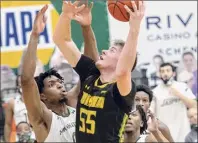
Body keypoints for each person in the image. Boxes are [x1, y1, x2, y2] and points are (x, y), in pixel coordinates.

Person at [53, 1, 145, 142]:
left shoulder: (121, 89)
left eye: (112, 50)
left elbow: (122, 71)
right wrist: (65, 15)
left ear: (122, 60)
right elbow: (62, 40)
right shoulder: (91, 74)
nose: (104, 51)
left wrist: (134, 28)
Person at [20, 5, 77, 142]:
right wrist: (35, 35)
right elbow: (27, 81)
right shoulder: (43, 119)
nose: (59, 85)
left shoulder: (77, 109)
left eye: (60, 82)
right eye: (51, 84)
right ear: (42, 96)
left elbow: (89, 74)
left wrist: (84, 26)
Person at [151, 62, 197, 142]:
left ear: (174, 73)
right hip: (165, 135)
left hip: (184, 133)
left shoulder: (182, 86)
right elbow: (152, 114)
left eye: (168, 71)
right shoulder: (154, 92)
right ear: (159, 75)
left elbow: (194, 105)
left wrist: (179, 94)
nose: (165, 74)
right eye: (162, 71)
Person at [4, 76, 35, 142]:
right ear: (18, 86)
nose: (23, 84)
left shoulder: (38, 101)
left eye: (25, 82)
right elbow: (8, 124)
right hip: (19, 138)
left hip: (35, 137)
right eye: (21, 82)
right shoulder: (11, 103)